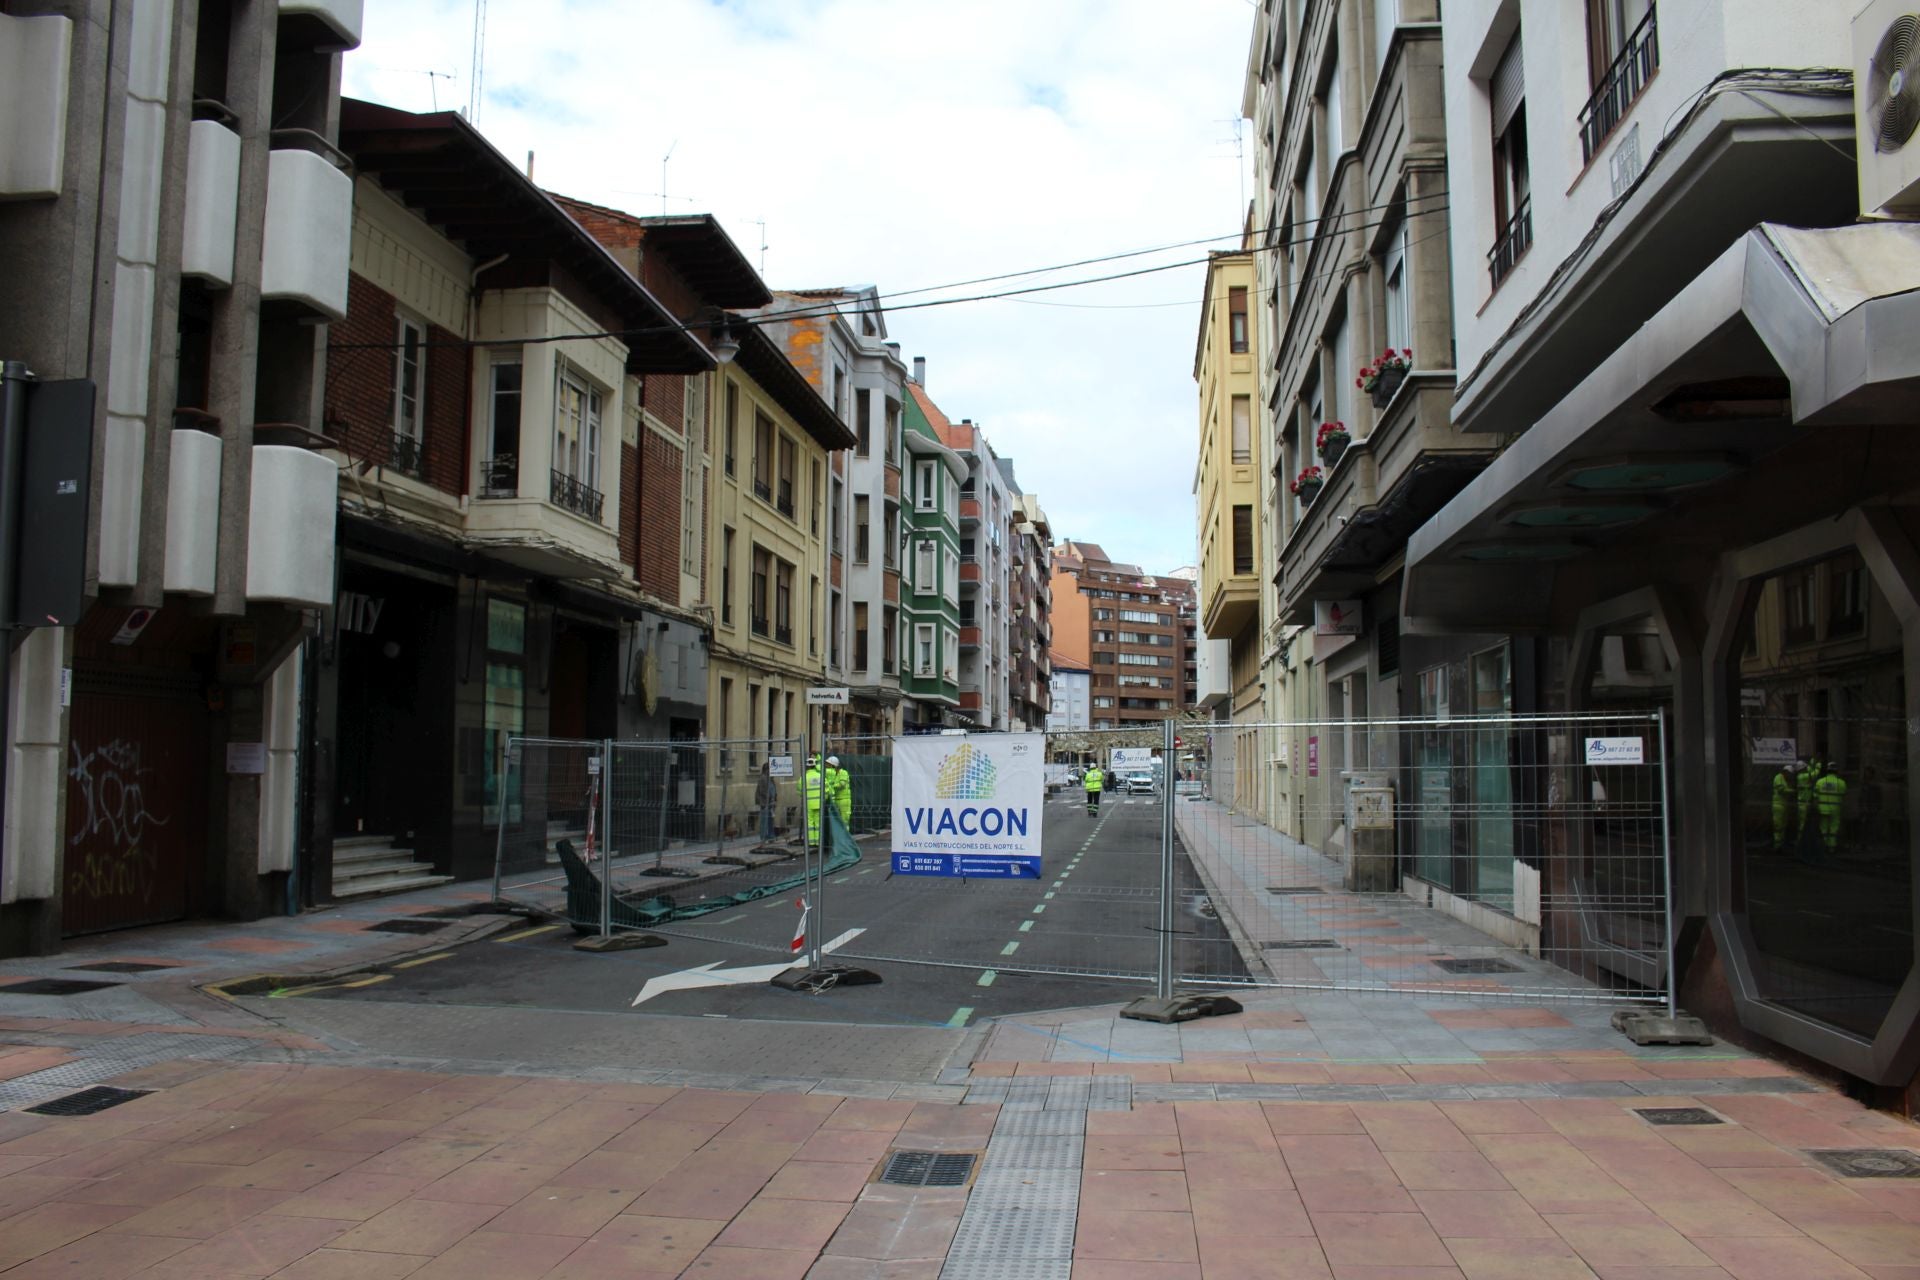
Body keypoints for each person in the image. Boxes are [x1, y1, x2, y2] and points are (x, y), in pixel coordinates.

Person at [1813, 762, 1847, 859]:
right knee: (1833, 829)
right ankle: (1831, 848)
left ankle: (1823, 847)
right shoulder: (1841, 782)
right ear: (1836, 771)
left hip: (1822, 808)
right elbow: (1844, 793)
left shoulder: (1819, 782)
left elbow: (1815, 796)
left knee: (1823, 828)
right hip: (1835, 809)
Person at [1770, 761, 1801, 853]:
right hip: (1778, 805)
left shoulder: (1784, 779)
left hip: (1783, 804)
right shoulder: (1778, 777)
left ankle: (1781, 844)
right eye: (1789, 773)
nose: (1790, 776)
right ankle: (1777, 845)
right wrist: (1793, 791)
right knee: (1778, 825)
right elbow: (1781, 790)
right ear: (1785, 771)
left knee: (1783, 825)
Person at [802, 754, 825, 850]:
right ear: (815, 765)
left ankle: (811, 842)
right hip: (819, 803)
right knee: (818, 823)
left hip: (808, 804)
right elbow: (826, 788)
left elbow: (799, 789)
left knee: (810, 823)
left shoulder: (804, 777)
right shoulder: (820, 776)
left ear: (807, 766)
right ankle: (819, 841)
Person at [826, 754, 852, 829]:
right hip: (836, 800)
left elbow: (842, 784)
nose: (827, 766)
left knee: (844, 820)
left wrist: (831, 785)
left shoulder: (843, 772)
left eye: (828, 765)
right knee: (837, 821)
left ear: (833, 765)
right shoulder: (833, 774)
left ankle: (845, 837)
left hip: (844, 800)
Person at [754, 762, 779, 843]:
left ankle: (770, 836)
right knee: (765, 821)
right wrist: (770, 798)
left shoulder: (770, 778)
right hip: (765, 803)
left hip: (771, 803)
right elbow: (763, 791)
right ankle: (764, 837)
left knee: (770, 821)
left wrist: (774, 799)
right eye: (769, 769)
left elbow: (773, 789)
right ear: (766, 770)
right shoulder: (763, 778)